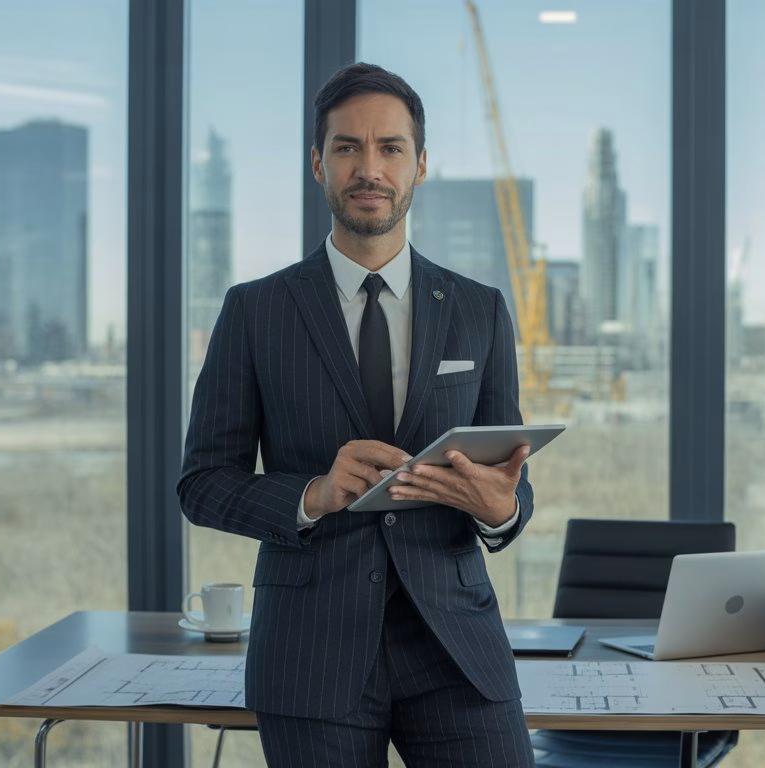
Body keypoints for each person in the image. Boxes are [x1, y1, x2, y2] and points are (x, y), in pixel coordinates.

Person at [177, 62, 536, 767]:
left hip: (455, 647)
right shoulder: (256, 312)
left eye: (390, 148)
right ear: (319, 163)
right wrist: (313, 494)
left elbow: (508, 480)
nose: (369, 168)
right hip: (311, 649)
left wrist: (502, 510)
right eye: (347, 148)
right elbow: (201, 483)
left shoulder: (479, 310)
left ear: (420, 165)